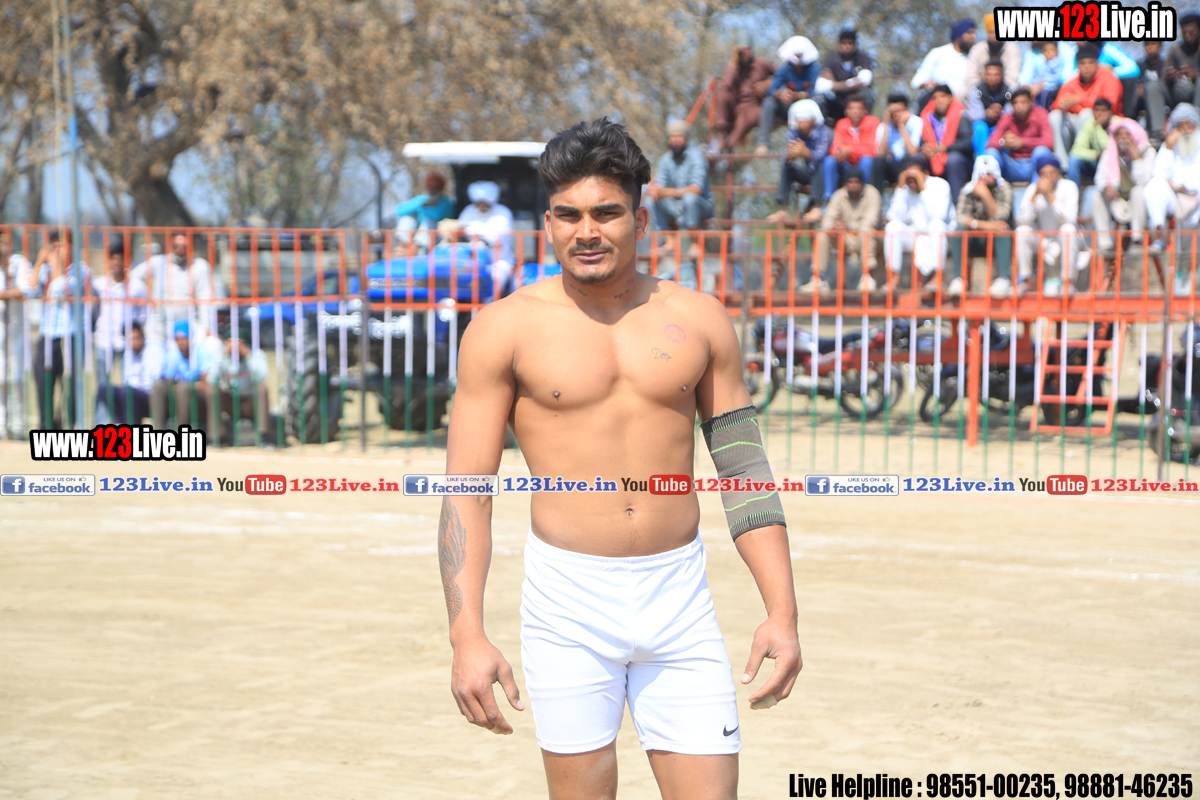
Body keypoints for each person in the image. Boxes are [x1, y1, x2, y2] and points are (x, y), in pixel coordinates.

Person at [440, 117, 801, 799]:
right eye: (568, 215)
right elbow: (466, 493)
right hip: (566, 603)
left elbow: (745, 475)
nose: (587, 231)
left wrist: (782, 612)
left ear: (640, 218)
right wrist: (467, 636)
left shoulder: (700, 319)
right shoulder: (502, 330)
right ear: (548, 222)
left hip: (679, 598)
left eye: (606, 213)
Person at [24, 230, 90, 430]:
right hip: (48, 333)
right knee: (43, 380)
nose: (58, 250)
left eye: (62, 245)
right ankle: (46, 425)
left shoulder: (81, 270)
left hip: (71, 334)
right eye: (55, 246)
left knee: (71, 383)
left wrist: (56, 265)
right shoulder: (46, 270)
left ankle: (68, 423)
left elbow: (63, 289)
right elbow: (30, 290)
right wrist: (39, 263)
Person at [130, 231, 221, 344]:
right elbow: (133, 278)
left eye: (184, 246)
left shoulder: (200, 266)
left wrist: (207, 327)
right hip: (159, 328)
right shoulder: (158, 262)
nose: (180, 250)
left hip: (188, 329)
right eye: (176, 246)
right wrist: (147, 299)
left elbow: (205, 299)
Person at [1014, 153, 1081, 294]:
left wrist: (1051, 195)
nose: (1048, 177)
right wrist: (1034, 196)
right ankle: (1026, 280)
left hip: (1066, 239)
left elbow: (1070, 219)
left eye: (1051, 173)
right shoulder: (1033, 189)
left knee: (1068, 230)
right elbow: (1022, 220)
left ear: (1058, 173)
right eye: (1043, 174)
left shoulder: (1069, 186)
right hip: (1044, 240)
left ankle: (1068, 282)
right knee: (1022, 231)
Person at [949, 154, 1015, 298]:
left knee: (1002, 229)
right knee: (960, 230)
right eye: (982, 173)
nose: (985, 178)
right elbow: (960, 217)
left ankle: (1004, 278)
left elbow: (1001, 217)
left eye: (989, 173)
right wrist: (984, 225)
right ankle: (958, 279)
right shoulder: (968, 190)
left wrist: (986, 195)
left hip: (998, 242)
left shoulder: (1004, 188)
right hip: (975, 239)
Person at [885, 154, 955, 286]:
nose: (912, 179)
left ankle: (937, 277)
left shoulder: (940, 185)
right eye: (908, 176)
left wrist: (923, 188)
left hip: (940, 234)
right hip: (915, 235)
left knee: (936, 226)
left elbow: (938, 217)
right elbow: (894, 217)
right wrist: (900, 189)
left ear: (926, 173)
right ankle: (893, 278)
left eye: (915, 174)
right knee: (892, 227)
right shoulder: (905, 188)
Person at [1049, 44, 1123, 164]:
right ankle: (1062, 165)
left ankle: (1081, 158)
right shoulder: (1071, 83)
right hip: (1077, 124)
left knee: (1087, 113)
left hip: (1105, 127)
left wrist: (1080, 100)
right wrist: (1063, 105)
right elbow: (1056, 106)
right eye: (1083, 63)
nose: (1087, 67)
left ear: (1097, 63)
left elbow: (1110, 106)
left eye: (1090, 63)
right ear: (1077, 65)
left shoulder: (1109, 78)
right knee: (1055, 116)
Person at [645, 119, 715, 242]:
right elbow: (660, 185)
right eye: (673, 136)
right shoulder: (665, 160)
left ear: (686, 138)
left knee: (690, 199)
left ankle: (694, 244)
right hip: (676, 205)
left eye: (679, 136)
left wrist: (666, 192)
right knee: (650, 201)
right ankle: (668, 241)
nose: (676, 140)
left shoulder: (696, 157)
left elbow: (696, 189)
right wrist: (656, 191)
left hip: (699, 206)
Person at [1093, 117, 1154, 256]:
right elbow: (1099, 179)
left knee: (1138, 191)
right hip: (1118, 200)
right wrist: (1106, 186)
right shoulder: (1110, 152)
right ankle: (1105, 243)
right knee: (1097, 196)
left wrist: (1136, 158)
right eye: (1119, 134)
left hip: (1140, 203)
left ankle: (1137, 240)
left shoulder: (1148, 152)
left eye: (1127, 134)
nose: (1123, 138)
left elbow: (1145, 182)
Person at [1145, 104, 1200, 255]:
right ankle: (1160, 236)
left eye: (1189, 124)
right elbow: (1158, 174)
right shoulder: (1170, 145)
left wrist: (1185, 186)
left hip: (1196, 197)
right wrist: (1169, 146)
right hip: (1177, 199)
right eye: (1180, 126)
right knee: (1153, 185)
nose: (1186, 129)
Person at [816, 166, 883, 291]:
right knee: (822, 234)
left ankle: (867, 277)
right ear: (845, 184)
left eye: (857, 182)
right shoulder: (838, 195)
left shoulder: (872, 193)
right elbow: (827, 220)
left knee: (866, 233)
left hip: (871, 240)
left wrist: (848, 226)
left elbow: (870, 222)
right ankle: (818, 278)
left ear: (862, 183)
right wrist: (833, 226)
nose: (853, 186)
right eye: (850, 182)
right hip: (846, 239)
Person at [756, 35, 821, 153]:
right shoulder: (784, 69)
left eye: (800, 55)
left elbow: (814, 91)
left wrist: (796, 95)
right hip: (788, 107)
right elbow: (772, 90)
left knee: (820, 101)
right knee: (769, 102)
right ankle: (763, 143)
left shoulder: (814, 68)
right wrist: (781, 94)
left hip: (808, 108)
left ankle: (817, 145)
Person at [91, 241, 147, 377]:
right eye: (114, 258)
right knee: (103, 383)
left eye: (121, 259)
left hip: (127, 342)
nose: (117, 263)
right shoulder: (99, 285)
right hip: (104, 339)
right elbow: (94, 311)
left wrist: (135, 332)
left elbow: (144, 313)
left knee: (130, 381)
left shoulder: (137, 286)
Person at [713, 32, 776, 151]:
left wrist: (769, 83)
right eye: (741, 51)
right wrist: (734, 63)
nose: (745, 54)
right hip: (736, 108)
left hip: (754, 108)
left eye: (747, 50)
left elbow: (783, 75)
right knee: (723, 96)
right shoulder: (732, 67)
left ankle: (728, 145)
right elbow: (725, 87)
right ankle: (721, 138)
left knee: (745, 118)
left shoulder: (761, 64)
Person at [208, 324, 271, 442]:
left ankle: (264, 436)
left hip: (250, 402)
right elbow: (212, 380)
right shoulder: (221, 357)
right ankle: (216, 437)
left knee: (262, 389)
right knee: (213, 391)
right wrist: (222, 357)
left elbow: (261, 377)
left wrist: (248, 356)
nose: (234, 347)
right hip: (230, 401)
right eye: (230, 343)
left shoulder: (256, 355)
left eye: (238, 343)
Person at [770, 99, 832, 220]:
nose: (801, 122)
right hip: (807, 172)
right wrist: (790, 156)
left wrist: (806, 153)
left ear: (813, 119)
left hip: (823, 175)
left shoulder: (824, 131)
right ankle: (783, 209)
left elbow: (821, 155)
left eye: (805, 119)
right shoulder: (794, 132)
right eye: (799, 119)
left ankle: (816, 208)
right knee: (787, 166)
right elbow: (789, 152)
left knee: (821, 165)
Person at [153, 319, 219, 431]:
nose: (181, 342)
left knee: (184, 388)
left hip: (198, 397)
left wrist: (187, 386)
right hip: (179, 393)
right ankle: (158, 431)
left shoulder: (201, 351)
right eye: (177, 339)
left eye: (184, 338)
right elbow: (169, 381)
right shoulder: (172, 354)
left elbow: (206, 381)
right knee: (157, 387)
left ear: (191, 338)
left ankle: (181, 432)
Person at [1146, 14, 1200, 143]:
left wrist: (1195, 75)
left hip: (1196, 91)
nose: (1187, 36)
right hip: (1178, 91)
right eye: (1184, 33)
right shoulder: (1176, 50)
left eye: (1191, 32)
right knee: (1153, 86)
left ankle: (1197, 126)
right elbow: (1164, 74)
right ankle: (1158, 132)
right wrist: (1169, 76)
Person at [95, 322, 162, 425]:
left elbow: (153, 380)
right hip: (132, 394)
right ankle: (121, 424)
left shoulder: (155, 349)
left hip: (151, 396)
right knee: (104, 389)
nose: (135, 342)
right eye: (131, 340)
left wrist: (135, 386)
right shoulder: (128, 353)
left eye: (137, 338)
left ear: (143, 336)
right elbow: (127, 379)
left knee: (127, 393)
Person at [454, 181, 516, 287]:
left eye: (486, 203)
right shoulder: (468, 211)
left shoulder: (503, 212)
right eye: (479, 202)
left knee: (494, 282)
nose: (482, 205)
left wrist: (477, 236)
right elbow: (461, 229)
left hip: (498, 261)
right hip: (471, 261)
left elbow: (496, 239)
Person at [986, 88, 1055, 182]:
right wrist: (1003, 142)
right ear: (1011, 105)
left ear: (1031, 102)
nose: (1019, 106)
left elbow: (1049, 142)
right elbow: (990, 143)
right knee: (991, 153)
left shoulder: (1040, 114)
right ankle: (997, 187)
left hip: (1033, 164)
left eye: (1023, 102)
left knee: (1042, 152)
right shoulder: (1007, 117)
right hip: (1012, 165)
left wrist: (1022, 142)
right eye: (1015, 103)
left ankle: (1037, 187)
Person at [0, 229, 31, 438]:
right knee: (1, 378)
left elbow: (24, 289)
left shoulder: (19, 263)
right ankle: (2, 424)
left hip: (17, 328)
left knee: (16, 377)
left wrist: (5, 294)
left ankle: (18, 425)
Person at [919, 84, 973, 202]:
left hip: (959, 160)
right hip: (935, 158)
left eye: (942, 96)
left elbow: (966, 142)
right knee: (916, 159)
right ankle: (921, 204)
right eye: (935, 98)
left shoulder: (961, 114)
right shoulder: (929, 117)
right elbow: (922, 142)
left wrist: (945, 148)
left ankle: (957, 203)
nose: (939, 100)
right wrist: (925, 150)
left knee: (953, 160)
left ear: (950, 97)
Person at [822, 94, 879, 201]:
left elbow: (873, 150)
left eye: (859, 109)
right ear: (846, 111)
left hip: (862, 166)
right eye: (852, 108)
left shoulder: (873, 122)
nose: (855, 112)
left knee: (867, 160)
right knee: (829, 161)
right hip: (846, 166)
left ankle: (865, 197)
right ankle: (829, 199)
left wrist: (850, 150)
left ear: (865, 111)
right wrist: (839, 153)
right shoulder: (841, 124)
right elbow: (835, 148)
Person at [911, 19, 977, 106]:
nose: (973, 37)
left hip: (963, 106)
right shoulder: (938, 53)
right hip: (938, 105)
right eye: (969, 33)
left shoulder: (973, 57)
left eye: (974, 33)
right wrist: (928, 84)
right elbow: (916, 82)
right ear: (959, 35)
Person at [961, 14, 1021, 106]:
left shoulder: (1012, 48)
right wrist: (985, 89)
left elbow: (1013, 76)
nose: (995, 35)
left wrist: (998, 87)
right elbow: (971, 77)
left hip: (1004, 89)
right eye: (991, 32)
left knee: (1017, 91)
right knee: (962, 93)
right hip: (982, 89)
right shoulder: (977, 49)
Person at [815, 29, 874, 123]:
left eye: (850, 43)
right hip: (838, 102)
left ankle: (864, 125)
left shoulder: (863, 58)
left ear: (855, 45)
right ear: (839, 45)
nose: (847, 46)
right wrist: (854, 82)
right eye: (844, 43)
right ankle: (826, 127)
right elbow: (821, 86)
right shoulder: (831, 60)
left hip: (857, 102)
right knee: (820, 98)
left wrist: (835, 84)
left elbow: (865, 80)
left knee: (867, 93)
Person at [872, 92, 923, 189]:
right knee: (878, 162)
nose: (896, 115)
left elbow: (913, 152)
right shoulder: (884, 125)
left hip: (908, 166)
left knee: (908, 159)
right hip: (892, 166)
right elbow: (880, 153)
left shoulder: (916, 122)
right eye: (893, 112)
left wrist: (901, 126)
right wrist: (886, 124)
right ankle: (876, 195)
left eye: (899, 111)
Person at [394, 172, 456, 252]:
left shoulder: (446, 202)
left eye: (436, 186)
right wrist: (421, 204)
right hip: (416, 234)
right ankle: (401, 247)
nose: (432, 189)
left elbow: (437, 215)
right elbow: (399, 211)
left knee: (428, 222)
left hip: (437, 237)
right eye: (430, 186)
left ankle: (414, 251)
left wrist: (425, 207)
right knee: (407, 219)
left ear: (441, 188)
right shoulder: (421, 199)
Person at [968, 61, 1013, 156]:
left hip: (1003, 123)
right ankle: (982, 159)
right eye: (989, 74)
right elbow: (974, 115)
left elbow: (1012, 113)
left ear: (1002, 75)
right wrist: (987, 113)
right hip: (984, 123)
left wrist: (1000, 112)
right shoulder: (976, 90)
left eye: (996, 75)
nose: (992, 78)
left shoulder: (1009, 90)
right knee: (979, 127)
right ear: (984, 75)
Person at [1066, 96, 1114, 187]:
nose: (1100, 114)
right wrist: (1096, 155)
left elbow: (1109, 150)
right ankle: (1073, 191)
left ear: (1110, 112)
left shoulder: (1118, 124)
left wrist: (1098, 128)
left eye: (1103, 111)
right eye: (1097, 110)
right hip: (1096, 164)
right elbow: (1076, 150)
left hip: (1114, 167)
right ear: (1093, 111)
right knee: (1073, 159)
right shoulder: (1089, 124)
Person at [1020, 41, 1073, 109]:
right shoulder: (1037, 57)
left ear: (1057, 51)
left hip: (1054, 90)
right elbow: (1025, 78)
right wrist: (1031, 87)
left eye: (1052, 50)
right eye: (1046, 50)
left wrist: (1043, 84)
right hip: (1037, 89)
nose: (1049, 52)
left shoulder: (1063, 53)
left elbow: (1063, 78)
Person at [1136, 40, 1166, 132]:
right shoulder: (1139, 66)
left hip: (1160, 103)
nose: (1150, 47)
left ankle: (1158, 131)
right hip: (1142, 103)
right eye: (1147, 44)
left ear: (1160, 45)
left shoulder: (1165, 65)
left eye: (1153, 44)